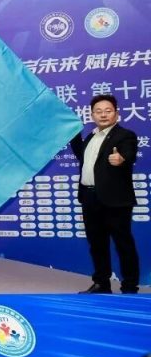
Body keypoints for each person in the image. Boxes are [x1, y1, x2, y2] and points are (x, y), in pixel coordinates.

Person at [70, 94, 140, 294]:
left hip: (115, 199)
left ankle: (129, 286)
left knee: (123, 244)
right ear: (92, 115)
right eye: (98, 111)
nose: (103, 115)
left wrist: (122, 158)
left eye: (108, 111)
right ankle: (102, 283)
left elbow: (129, 153)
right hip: (89, 197)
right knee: (97, 244)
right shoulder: (91, 137)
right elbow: (83, 158)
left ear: (116, 114)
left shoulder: (125, 135)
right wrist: (72, 133)